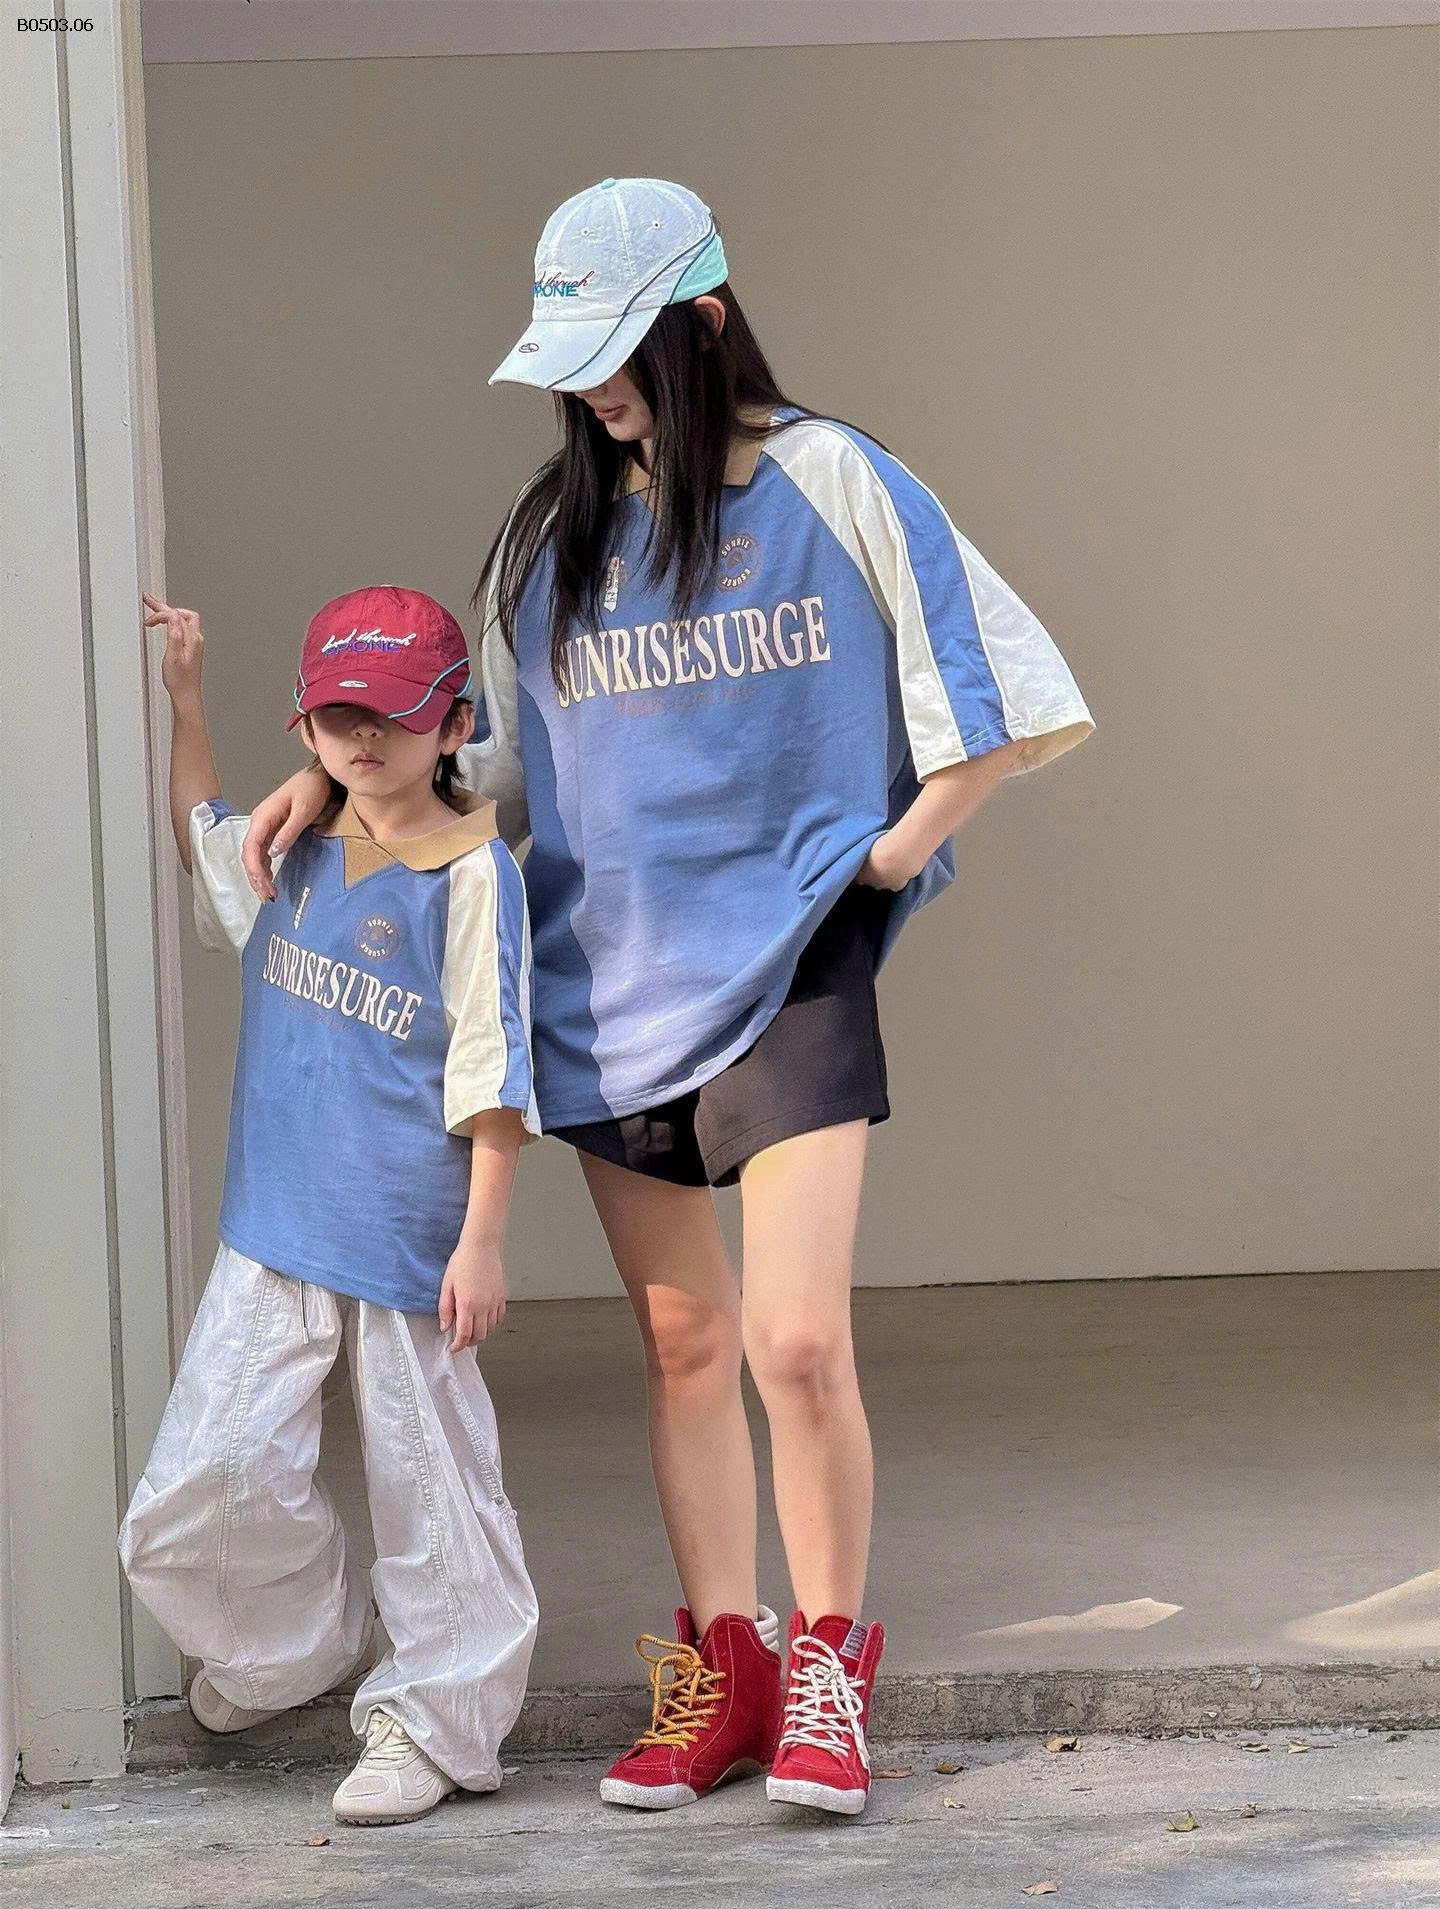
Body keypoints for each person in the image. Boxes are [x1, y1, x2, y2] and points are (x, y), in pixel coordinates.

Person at [244, 179, 1094, 1818]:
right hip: (604, 977)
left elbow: (1001, 691)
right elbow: (496, 772)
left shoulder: (835, 478)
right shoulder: (546, 537)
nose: (594, 388)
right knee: (687, 1343)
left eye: (618, 351)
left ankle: (830, 1675)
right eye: (571, 362)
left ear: (702, 321)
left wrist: (888, 857)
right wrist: (336, 787)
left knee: (795, 1338)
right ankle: (728, 1671)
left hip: (794, 964)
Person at [120, 585, 540, 1826]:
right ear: (303, 725)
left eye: (395, 716)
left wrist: (483, 1241)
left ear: (454, 723)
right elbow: (206, 844)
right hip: (276, 1221)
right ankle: (295, 1648)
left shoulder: (474, 876)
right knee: (204, 1485)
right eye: (340, 716)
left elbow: (494, 1074)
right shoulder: (289, 844)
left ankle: (434, 1723)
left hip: (410, 1235)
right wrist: (187, 701)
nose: (365, 739)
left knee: (435, 1494)